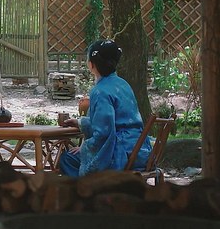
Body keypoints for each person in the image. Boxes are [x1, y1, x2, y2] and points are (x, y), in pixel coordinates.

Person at [58, 39, 151, 177]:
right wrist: (80, 122)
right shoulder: (123, 84)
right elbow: (111, 123)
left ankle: (92, 189)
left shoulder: (100, 91)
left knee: (67, 159)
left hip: (121, 155)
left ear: (91, 64)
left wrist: (85, 148)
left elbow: (104, 134)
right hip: (140, 150)